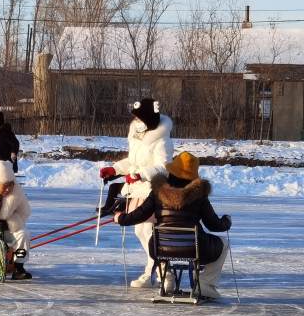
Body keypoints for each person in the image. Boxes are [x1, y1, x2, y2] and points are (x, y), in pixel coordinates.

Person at [115, 152, 232, 299]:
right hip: (195, 248)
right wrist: (226, 221)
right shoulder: (199, 194)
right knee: (224, 243)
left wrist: (120, 218)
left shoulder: (157, 191)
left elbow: (139, 214)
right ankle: (205, 284)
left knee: (155, 238)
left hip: (161, 248)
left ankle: (166, 280)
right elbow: (214, 225)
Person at [98, 98, 174, 289]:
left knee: (148, 231)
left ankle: (165, 273)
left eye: (139, 117)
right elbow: (133, 161)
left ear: (148, 118)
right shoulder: (138, 134)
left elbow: (164, 167)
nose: (136, 120)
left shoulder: (161, 139)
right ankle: (154, 272)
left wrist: (141, 174)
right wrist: (115, 169)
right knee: (140, 230)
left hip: (153, 190)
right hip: (137, 190)